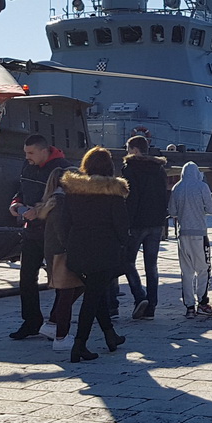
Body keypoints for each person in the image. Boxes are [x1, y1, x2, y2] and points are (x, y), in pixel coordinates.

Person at [55, 147, 128, 362]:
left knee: (96, 293)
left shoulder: (73, 192)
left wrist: (68, 245)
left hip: (78, 251)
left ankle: (110, 335)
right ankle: (79, 345)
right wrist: (124, 245)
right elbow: (121, 227)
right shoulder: (113, 194)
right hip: (104, 253)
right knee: (92, 299)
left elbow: (63, 224)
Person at [8, 134, 71, 340]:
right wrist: (16, 203)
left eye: (31, 153)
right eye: (26, 153)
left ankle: (56, 321)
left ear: (45, 151)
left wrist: (39, 211)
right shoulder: (28, 166)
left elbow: (64, 202)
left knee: (58, 278)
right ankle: (31, 321)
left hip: (53, 232)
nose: (27, 157)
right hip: (31, 231)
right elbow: (21, 190)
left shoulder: (63, 169)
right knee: (27, 277)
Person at [118, 135, 170, 320]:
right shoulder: (159, 169)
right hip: (155, 223)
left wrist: (127, 223)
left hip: (137, 223)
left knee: (127, 262)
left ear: (134, 150)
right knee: (152, 266)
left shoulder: (130, 168)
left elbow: (131, 199)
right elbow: (165, 196)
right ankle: (151, 306)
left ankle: (140, 297)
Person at [38, 167, 85, 352]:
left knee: (68, 291)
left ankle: (52, 324)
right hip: (62, 253)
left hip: (56, 251)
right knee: (67, 293)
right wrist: (72, 249)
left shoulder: (56, 199)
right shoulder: (61, 201)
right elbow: (62, 230)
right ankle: (61, 337)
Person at [169, 162, 212, 319]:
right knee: (204, 269)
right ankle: (202, 302)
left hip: (182, 234)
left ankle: (189, 306)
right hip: (199, 233)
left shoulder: (177, 187)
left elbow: (172, 211)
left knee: (186, 272)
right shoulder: (202, 186)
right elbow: (211, 209)